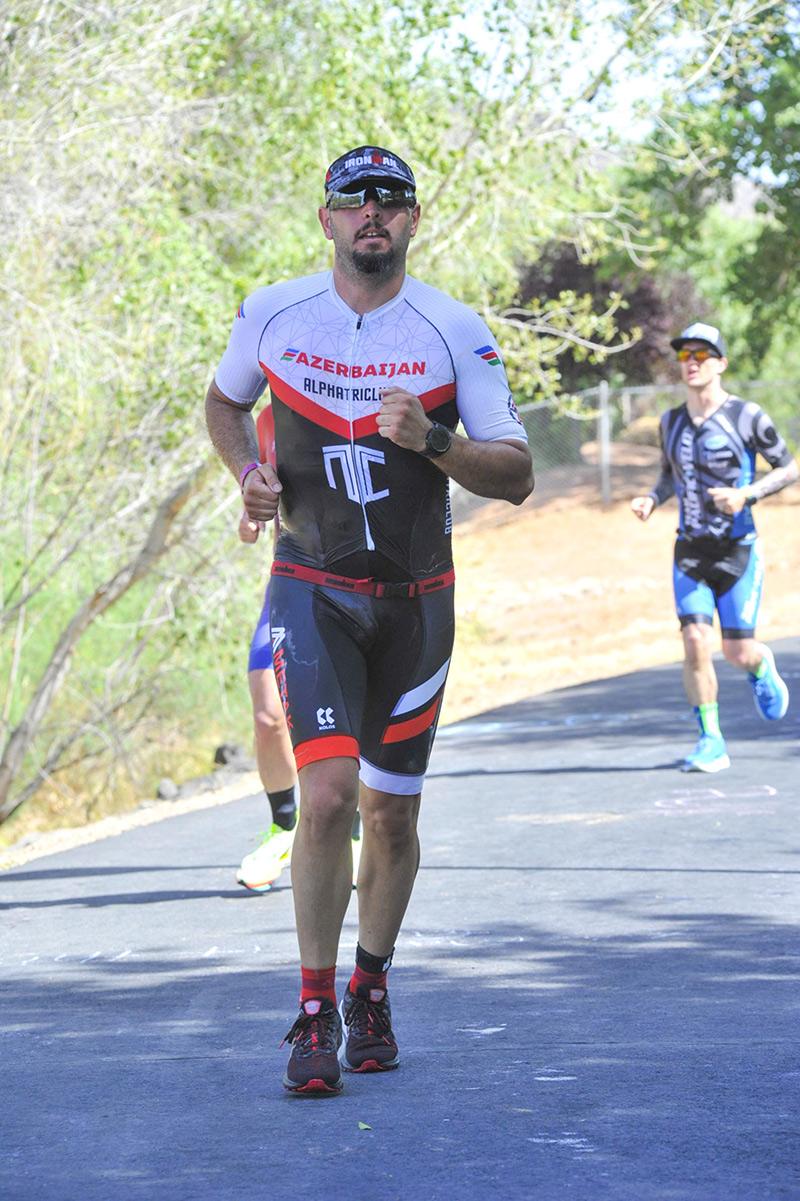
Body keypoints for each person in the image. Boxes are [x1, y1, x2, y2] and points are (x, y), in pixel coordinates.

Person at [205, 145, 534, 1094]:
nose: (373, 214)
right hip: (310, 586)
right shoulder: (275, 313)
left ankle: (371, 986)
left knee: (391, 817)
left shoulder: (452, 330)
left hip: (416, 605)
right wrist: (248, 472)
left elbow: (517, 474)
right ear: (328, 219)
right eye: (355, 201)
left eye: (392, 201)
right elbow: (224, 404)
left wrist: (434, 439)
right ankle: (314, 1011)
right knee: (327, 796)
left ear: (414, 220)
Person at [631, 321, 798, 773]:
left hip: (738, 550)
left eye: (701, 355)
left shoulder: (747, 415)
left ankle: (760, 666)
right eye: (685, 355)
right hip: (689, 551)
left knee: (737, 652)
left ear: (720, 364)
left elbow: (789, 468)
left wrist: (747, 495)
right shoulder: (670, 421)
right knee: (694, 641)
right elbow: (669, 476)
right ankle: (711, 740)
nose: (692, 362)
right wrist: (652, 499)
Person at [235, 405, 362, 893]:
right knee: (268, 714)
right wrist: (250, 517)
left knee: (353, 710)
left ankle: (353, 832)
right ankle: (283, 828)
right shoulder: (267, 419)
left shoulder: (353, 398)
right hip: (290, 585)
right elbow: (261, 497)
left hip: (360, 583)